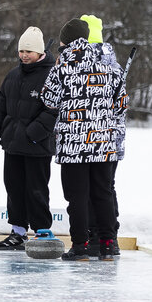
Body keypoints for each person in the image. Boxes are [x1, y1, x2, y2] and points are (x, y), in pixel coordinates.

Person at [40, 18, 127, 261]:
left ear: (66, 41)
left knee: (77, 197)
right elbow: (122, 104)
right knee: (103, 193)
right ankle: (108, 245)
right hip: (103, 142)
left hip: (73, 144)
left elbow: (49, 100)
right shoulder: (111, 65)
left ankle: (80, 246)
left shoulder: (63, 65)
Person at [0, 26, 57, 250]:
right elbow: (2, 106)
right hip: (13, 144)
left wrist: (33, 133)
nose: (24, 55)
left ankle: (42, 231)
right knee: (14, 188)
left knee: (35, 189)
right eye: (21, 51)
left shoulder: (50, 75)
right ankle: (18, 232)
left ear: (39, 52)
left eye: (29, 51)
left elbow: (53, 110)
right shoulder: (13, 75)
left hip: (37, 145)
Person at [81, 14, 125, 256]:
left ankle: (96, 233)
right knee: (106, 187)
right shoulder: (114, 65)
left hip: (92, 136)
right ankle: (107, 236)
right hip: (111, 139)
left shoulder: (82, 64)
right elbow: (121, 105)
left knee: (90, 187)